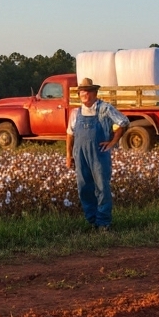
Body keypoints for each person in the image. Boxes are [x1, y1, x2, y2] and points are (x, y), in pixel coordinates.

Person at [65, 77, 128, 231]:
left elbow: (123, 122)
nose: (84, 94)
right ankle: (92, 220)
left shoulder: (104, 108)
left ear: (94, 93)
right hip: (80, 155)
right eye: (82, 91)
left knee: (102, 187)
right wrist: (68, 155)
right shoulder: (75, 112)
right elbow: (70, 134)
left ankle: (103, 223)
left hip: (99, 154)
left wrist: (113, 142)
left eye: (87, 91)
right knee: (84, 187)